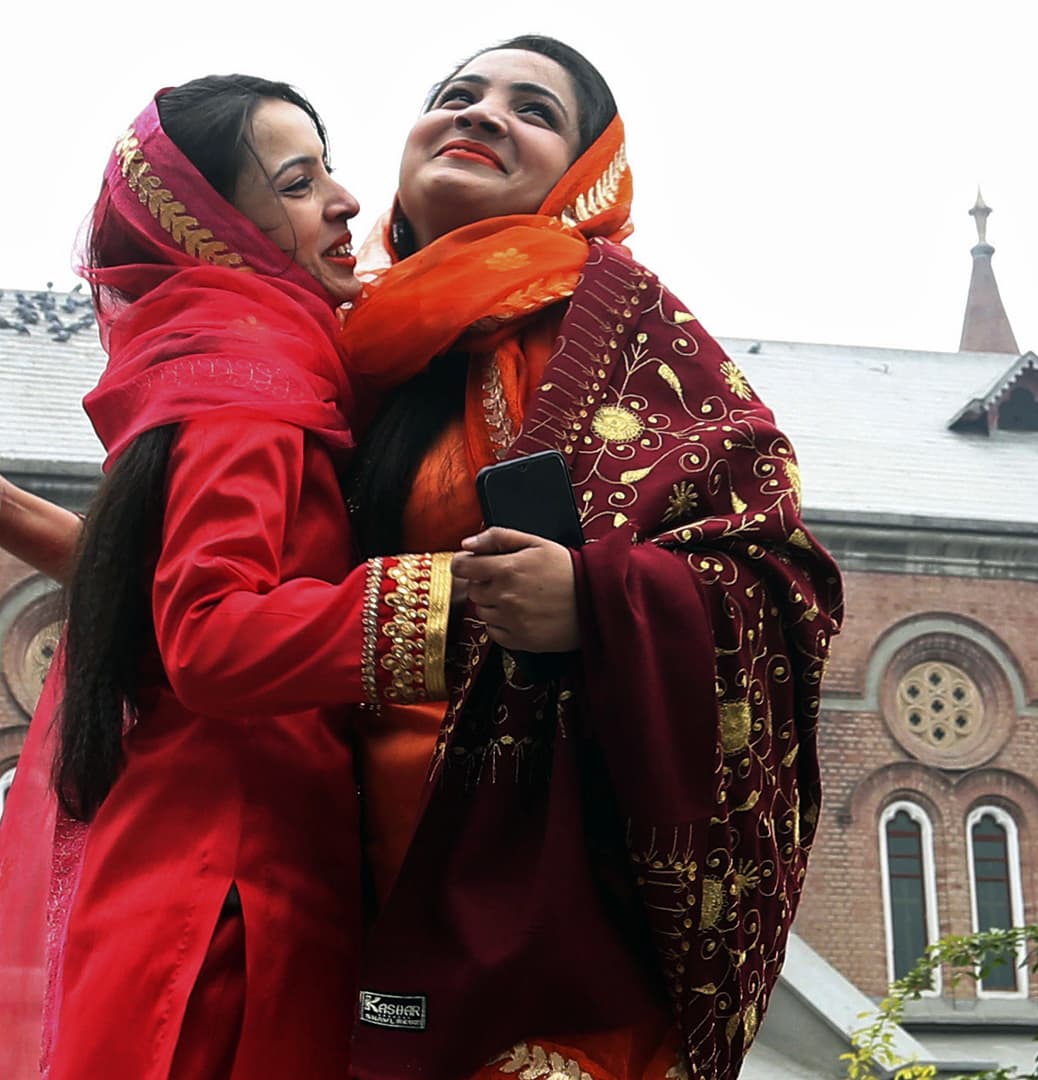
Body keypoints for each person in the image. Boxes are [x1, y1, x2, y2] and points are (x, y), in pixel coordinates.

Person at [0, 76, 458, 1080]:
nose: (346, 201)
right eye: (300, 184)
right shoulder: (251, 383)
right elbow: (211, 634)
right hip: (229, 903)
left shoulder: (230, 363)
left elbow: (163, 589)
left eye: (329, 170)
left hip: (190, 876)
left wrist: (5, 512)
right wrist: (450, 608)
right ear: (219, 231)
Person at [335, 36, 845, 1080]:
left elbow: (781, 583)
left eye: (533, 110)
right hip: (340, 868)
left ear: (587, 177)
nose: (480, 114)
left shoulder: (625, 335)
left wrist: (596, 600)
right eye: (457, 95)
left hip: (549, 899)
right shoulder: (348, 351)